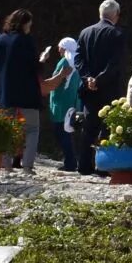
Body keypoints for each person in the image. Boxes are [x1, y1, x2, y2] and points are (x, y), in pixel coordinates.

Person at [74, 0, 128, 175]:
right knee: (108, 127)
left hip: (89, 89)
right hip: (109, 88)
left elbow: (78, 59)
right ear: (116, 15)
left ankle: (83, 165)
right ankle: (103, 166)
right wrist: (100, 79)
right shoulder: (117, 34)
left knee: (89, 127)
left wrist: (88, 78)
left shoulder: (85, 32)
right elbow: (115, 63)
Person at [0, 10, 46, 172]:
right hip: (27, 91)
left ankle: (5, 164)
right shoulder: (26, 41)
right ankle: (27, 166)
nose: (30, 26)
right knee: (32, 129)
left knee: (5, 128)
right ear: (24, 23)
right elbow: (34, 67)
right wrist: (42, 60)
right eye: (29, 23)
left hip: (6, 91)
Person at [45, 38, 82, 172]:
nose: (58, 49)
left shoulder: (64, 62)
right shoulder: (77, 63)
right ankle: (71, 160)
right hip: (71, 101)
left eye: (60, 47)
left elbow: (55, 80)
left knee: (60, 131)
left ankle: (70, 162)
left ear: (65, 48)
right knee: (67, 131)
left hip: (60, 101)